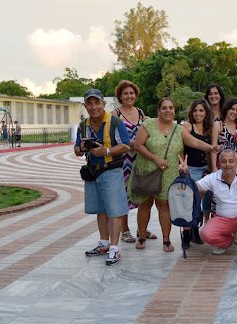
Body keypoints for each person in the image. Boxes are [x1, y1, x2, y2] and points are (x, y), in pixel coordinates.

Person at [128, 97, 220, 251]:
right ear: (159, 110)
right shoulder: (148, 125)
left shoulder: (178, 130)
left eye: (171, 108)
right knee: (145, 204)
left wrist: (211, 148)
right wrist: (156, 159)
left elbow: (195, 142)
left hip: (168, 173)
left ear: (174, 111)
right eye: (164, 108)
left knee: (164, 205)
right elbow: (138, 145)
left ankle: (166, 240)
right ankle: (142, 237)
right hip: (147, 172)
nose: (168, 110)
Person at [178, 149, 237, 262]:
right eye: (224, 161)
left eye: (231, 161)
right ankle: (227, 242)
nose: (227, 164)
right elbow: (195, 186)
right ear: (220, 164)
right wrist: (185, 174)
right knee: (205, 234)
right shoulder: (213, 177)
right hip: (223, 219)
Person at [74, 89, 130, 266]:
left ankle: (114, 248)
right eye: (89, 103)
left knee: (114, 211)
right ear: (85, 106)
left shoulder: (114, 122)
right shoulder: (83, 125)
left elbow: (126, 145)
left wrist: (105, 151)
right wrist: (82, 148)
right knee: (100, 209)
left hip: (111, 170)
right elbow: (76, 150)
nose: (93, 107)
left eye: (97, 103)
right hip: (93, 171)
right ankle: (104, 243)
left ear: (104, 104)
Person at [110, 80, 157, 244]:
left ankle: (141, 229)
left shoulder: (141, 112)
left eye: (131, 93)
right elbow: (111, 138)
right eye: (125, 94)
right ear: (120, 96)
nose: (129, 96)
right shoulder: (114, 114)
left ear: (135, 95)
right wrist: (132, 143)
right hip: (122, 161)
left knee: (143, 194)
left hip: (140, 160)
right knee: (123, 196)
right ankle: (125, 230)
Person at [211, 97, 237, 246]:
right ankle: (223, 233)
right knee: (222, 200)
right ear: (226, 109)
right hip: (222, 167)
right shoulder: (218, 125)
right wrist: (214, 169)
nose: (234, 112)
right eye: (232, 109)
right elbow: (213, 148)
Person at [182, 99, 215, 247]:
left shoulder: (209, 129)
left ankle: (196, 230)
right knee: (191, 202)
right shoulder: (188, 126)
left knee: (201, 203)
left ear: (206, 112)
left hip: (205, 170)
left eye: (201, 110)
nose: (198, 113)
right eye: (195, 110)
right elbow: (189, 142)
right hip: (191, 169)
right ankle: (187, 233)